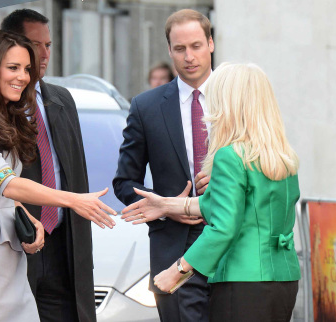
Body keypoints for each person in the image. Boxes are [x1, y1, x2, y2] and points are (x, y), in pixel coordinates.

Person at [0, 9, 105, 322]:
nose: (23, 76)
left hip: (13, 248)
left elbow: (5, 193)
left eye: (25, 68)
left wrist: (27, 215)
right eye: (13, 67)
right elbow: (5, 182)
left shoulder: (3, 118)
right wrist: (73, 199)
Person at [122, 62, 301, 322]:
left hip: (242, 281)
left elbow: (224, 226)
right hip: (283, 280)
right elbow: (242, 207)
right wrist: (169, 205)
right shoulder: (283, 157)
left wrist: (178, 269)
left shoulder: (231, 156)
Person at [113, 9, 214, 321]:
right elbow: (124, 181)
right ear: (169, 50)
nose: (189, 57)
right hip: (175, 247)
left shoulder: (236, 98)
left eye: (196, 46)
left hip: (235, 242)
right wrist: (168, 205)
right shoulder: (146, 106)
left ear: (211, 44)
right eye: (180, 49)